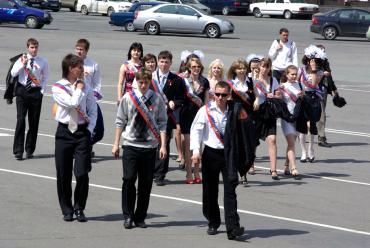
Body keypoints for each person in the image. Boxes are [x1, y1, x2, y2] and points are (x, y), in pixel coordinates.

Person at [112, 69, 167, 229]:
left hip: (149, 147)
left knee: (146, 183)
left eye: (146, 82)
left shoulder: (156, 99)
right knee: (128, 179)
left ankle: (140, 216)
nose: (143, 85)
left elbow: (162, 122)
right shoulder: (128, 98)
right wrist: (116, 143)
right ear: (136, 81)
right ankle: (128, 215)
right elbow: (120, 121)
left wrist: (163, 145)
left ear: (150, 82)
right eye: (140, 82)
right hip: (131, 145)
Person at [190, 81, 246, 240]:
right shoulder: (205, 110)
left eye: (224, 95)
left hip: (228, 155)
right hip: (210, 154)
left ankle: (233, 228)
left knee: (230, 191)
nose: (220, 98)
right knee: (210, 191)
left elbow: (244, 129)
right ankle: (213, 221)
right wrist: (196, 151)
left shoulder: (234, 110)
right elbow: (196, 131)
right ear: (213, 94)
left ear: (229, 95)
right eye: (217, 94)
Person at [52, 54, 97, 222]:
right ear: (71, 68)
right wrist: (78, 88)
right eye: (79, 66)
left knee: (82, 172)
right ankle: (67, 209)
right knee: (63, 173)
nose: (83, 70)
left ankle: (79, 208)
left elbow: (93, 110)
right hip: (64, 133)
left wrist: (89, 130)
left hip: (81, 133)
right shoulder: (58, 87)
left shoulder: (86, 87)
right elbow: (72, 103)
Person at [10, 38, 49, 160]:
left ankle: (30, 149)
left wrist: (41, 90)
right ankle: (18, 150)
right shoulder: (21, 59)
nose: (34, 50)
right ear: (28, 48)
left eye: (36, 47)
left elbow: (46, 76)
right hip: (22, 91)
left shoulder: (42, 61)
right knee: (21, 119)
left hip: (35, 92)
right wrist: (23, 64)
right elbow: (13, 73)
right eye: (32, 47)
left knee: (34, 121)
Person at [152, 50, 186, 186]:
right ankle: (151, 171)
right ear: (158, 62)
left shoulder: (176, 80)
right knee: (150, 145)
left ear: (171, 63)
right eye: (161, 61)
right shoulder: (151, 77)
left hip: (166, 117)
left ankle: (160, 174)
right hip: (150, 116)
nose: (164, 64)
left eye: (167, 62)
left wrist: (174, 103)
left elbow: (181, 99)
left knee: (163, 144)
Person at [180, 57, 209, 184]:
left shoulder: (205, 81)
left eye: (198, 66)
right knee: (188, 145)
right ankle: (188, 173)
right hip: (186, 114)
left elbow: (206, 101)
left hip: (199, 115)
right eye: (193, 67)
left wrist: (207, 115)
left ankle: (197, 171)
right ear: (189, 68)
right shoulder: (184, 81)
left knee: (198, 145)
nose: (196, 69)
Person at [226, 59, 255, 184]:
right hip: (235, 118)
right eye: (239, 68)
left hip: (248, 117)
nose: (242, 70)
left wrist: (257, 100)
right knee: (236, 144)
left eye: (243, 68)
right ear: (234, 70)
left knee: (249, 145)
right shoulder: (231, 83)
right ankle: (240, 173)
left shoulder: (251, 82)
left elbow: (257, 97)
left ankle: (245, 167)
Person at [253, 58, 282, 180]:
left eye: (267, 66)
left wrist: (271, 91)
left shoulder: (273, 79)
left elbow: (279, 95)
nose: (265, 69)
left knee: (272, 139)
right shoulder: (252, 78)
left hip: (269, 112)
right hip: (256, 112)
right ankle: (251, 164)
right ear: (259, 66)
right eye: (263, 66)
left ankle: (273, 169)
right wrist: (256, 81)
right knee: (253, 140)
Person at [75, 38, 104, 156]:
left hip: (90, 101)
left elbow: (97, 84)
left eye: (81, 50)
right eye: (77, 49)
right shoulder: (71, 63)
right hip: (76, 101)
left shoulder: (93, 65)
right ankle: (81, 149)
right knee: (76, 128)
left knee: (99, 130)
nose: (78, 52)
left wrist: (94, 98)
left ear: (86, 51)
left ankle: (87, 145)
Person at [297, 45, 325, 163]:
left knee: (312, 125)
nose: (312, 62)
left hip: (313, 99)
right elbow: (297, 82)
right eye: (310, 60)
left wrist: (313, 69)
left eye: (314, 61)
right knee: (302, 126)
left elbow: (313, 84)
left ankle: (311, 148)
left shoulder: (319, 72)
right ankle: (303, 151)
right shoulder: (301, 69)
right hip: (303, 98)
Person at [279, 65, 303, 178]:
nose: (294, 76)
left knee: (291, 144)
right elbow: (279, 101)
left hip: (297, 118)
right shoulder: (282, 86)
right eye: (291, 74)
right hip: (287, 118)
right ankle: (294, 168)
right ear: (287, 74)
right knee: (291, 143)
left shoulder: (300, 85)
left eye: (295, 74)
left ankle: (286, 165)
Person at [316, 44, 340, 148]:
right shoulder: (312, 62)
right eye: (321, 50)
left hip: (323, 91)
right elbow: (310, 77)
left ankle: (320, 137)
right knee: (317, 115)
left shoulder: (325, 61)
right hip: (313, 91)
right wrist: (322, 73)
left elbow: (329, 77)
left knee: (321, 114)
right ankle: (319, 137)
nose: (323, 52)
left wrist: (334, 90)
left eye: (324, 50)